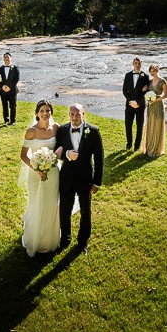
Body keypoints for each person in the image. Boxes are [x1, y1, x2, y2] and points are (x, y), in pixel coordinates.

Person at [56, 103, 104, 254]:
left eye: (78, 114)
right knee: (64, 210)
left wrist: (97, 182)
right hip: (67, 177)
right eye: (72, 114)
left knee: (86, 211)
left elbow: (99, 158)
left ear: (84, 114)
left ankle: (83, 242)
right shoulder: (62, 130)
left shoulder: (93, 131)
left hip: (85, 179)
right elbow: (56, 152)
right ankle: (65, 238)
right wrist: (66, 155)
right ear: (68, 115)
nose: (75, 117)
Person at [19, 100, 63, 257]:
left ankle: (49, 239)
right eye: (42, 111)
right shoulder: (31, 131)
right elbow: (23, 155)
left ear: (51, 112)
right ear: (37, 113)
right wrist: (37, 169)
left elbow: (62, 145)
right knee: (36, 203)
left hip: (53, 173)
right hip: (36, 174)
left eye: (48, 110)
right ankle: (34, 237)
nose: (45, 113)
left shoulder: (56, 128)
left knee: (51, 204)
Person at [140, 63, 167, 158]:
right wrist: (144, 91)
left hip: (158, 106)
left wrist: (155, 100)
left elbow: (166, 95)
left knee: (157, 125)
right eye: (151, 71)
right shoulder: (149, 81)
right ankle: (149, 147)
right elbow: (147, 91)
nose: (152, 73)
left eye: (154, 71)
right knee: (150, 125)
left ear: (157, 71)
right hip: (150, 106)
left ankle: (156, 148)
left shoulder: (162, 81)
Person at [122, 57, 150, 151]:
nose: (137, 65)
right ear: (133, 64)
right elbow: (124, 90)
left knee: (139, 125)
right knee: (128, 125)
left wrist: (137, 102)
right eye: (136, 63)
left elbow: (146, 91)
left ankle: (136, 146)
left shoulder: (145, 76)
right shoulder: (128, 75)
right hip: (129, 105)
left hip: (140, 105)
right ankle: (129, 144)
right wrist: (131, 101)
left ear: (141, 64)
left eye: (139, 63)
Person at [0, 52, 20, 125]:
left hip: (12, 90)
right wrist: (2, 86)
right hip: (3, 91)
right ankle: (6, 120)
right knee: (5, 106)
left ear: (10, 58)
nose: (6, 58)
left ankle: (13, 121)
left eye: (8, 57)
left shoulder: (15, 68)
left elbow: (17, 79)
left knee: (13, 106)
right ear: (3, 59)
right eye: (5, 57)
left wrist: (9, 87)